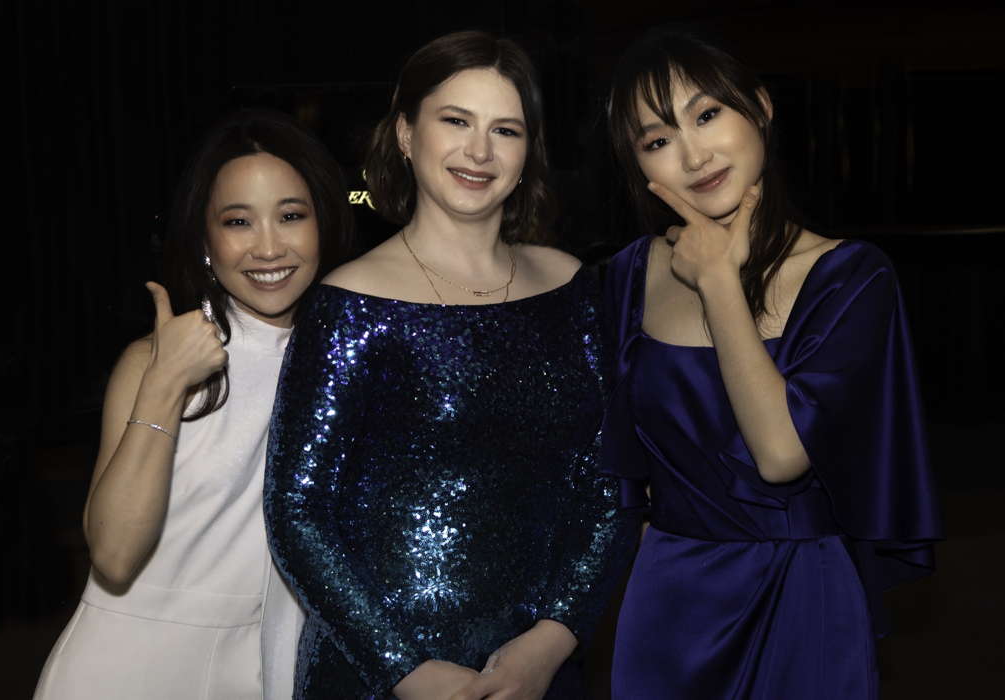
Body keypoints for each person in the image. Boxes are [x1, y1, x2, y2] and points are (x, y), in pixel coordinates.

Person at [264, 30, 635, 700]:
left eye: (506, 130)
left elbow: (607, 486)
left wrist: (551, 643)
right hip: (383, 673)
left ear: (529, 152)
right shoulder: (350, 305)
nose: (479, 151)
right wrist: (405, 669)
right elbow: (297, 511)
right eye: (455, 121)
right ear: (406, 134)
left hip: (539, 669)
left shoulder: (576, 288)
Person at [601, 25, 942, 699]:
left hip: (803, 595)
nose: (694, 155)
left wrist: (720, 282)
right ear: (639, 166)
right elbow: (614, 464)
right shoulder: (626, 276)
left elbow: (782, 454)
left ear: (759, 106)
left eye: (707, 114)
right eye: (659, 140)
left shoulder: (851, 276)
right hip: (668, 602)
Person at [34, 109, 355, 699]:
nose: (267, 246)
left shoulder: (343, 362)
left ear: (322, 224)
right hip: (132, 665)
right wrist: (165, 382)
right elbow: (114, 555)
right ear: (206, 240)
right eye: (238, 221)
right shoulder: (158, 359)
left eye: (290, 216)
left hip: (268, 667)